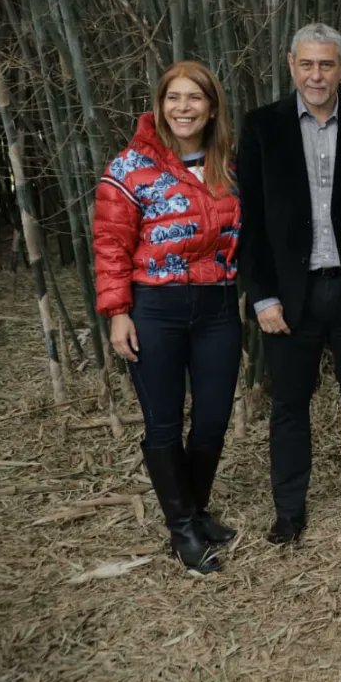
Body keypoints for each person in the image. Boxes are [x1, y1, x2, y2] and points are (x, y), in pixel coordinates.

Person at [237, 22, 341, 545]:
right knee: (289, 404)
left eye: (326, 64)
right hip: (291, 294)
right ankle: (289, 508)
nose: (316, 75)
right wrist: (262, 294)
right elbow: (249, 219)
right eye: (307, 64)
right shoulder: (262, 127)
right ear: (291, 65)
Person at [93, 60, 242, 574]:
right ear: (160, 106)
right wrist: (117, 313)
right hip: (156, 306)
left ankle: (195, 510)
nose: (184, 108)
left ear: (211, 107)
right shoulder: (130, 168)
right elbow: (111, 245)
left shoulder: (227, 166)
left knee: (213, 419)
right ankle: (181, 528)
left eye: (194, 98)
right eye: (174, 98)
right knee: (163, 424)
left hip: (218, 306)